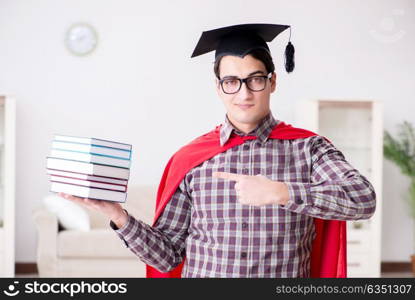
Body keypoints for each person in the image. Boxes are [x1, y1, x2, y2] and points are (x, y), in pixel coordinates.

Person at [61, 23, 376, 278]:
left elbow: (363, 199)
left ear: (272, 82)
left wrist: (283, 193)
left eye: (254, 80)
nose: (243, 93)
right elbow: (168, 257)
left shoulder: (309, 148)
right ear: (218, 87)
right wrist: (116, 215)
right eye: (231, 82)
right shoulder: (191, 159)